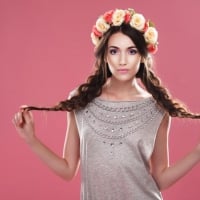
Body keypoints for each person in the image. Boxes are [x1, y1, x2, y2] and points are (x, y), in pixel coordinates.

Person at [13, 8, 200, 200]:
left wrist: (197, 152)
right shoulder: (82, 99)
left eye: (132, 51)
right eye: (114, 51)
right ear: (105, 56)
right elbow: (68, 169)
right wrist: (31, 139)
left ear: (143, 56)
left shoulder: (157, 109)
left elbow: (160, 178)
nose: (122, 60)